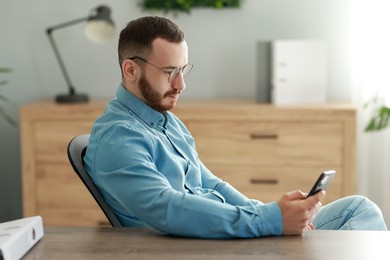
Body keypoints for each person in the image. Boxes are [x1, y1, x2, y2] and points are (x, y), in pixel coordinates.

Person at [84, 16, 387, 238]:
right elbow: (168, 208)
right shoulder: (118, 138)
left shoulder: (165, 121)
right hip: (198, 247)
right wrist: (268, 221)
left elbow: (210, 183)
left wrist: (272, 214)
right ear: (131, 69)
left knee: (357, 210)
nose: (181, 84)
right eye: (169, 72)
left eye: (183, 70)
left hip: (226, 233)